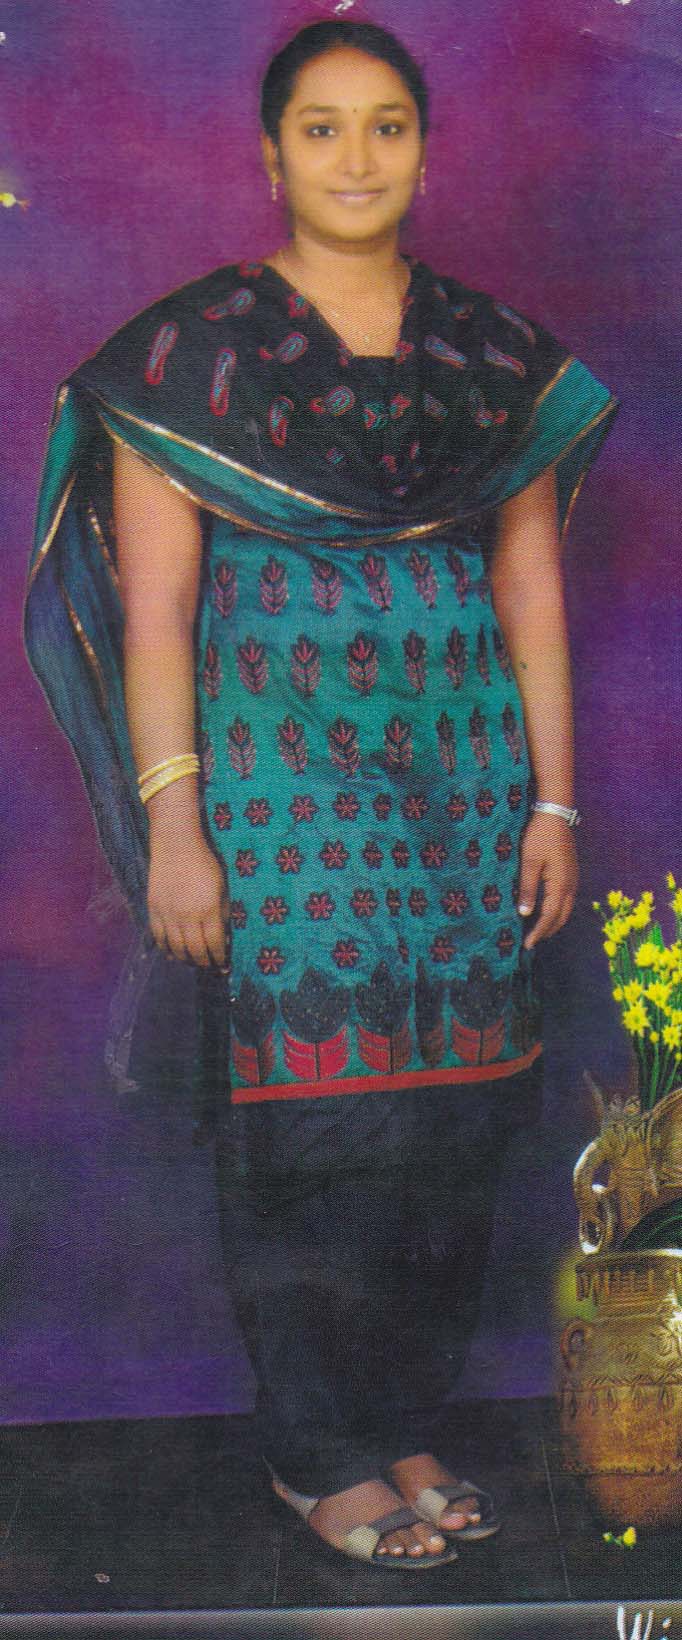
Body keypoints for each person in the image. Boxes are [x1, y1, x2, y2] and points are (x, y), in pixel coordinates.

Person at [26, 19, 618, 1570]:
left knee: (456, 1126)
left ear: (425, 148)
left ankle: (400, 1420)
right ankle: (317, 1454)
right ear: (269, 154)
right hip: (283, 798)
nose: (357, 158)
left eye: (386, 126)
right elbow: (156, 612)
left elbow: (530, 590)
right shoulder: (188, 361)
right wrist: (175, 823)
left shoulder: (488, 358)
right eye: (320, 127)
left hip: (466, 790)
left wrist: (553, 804)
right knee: (313, 1127)